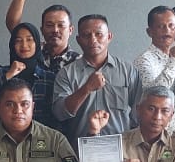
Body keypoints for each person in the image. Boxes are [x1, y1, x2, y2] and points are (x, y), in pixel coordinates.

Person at [54, 14, 143, 143]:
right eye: (86, 35)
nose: (93, 40)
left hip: (120, 148)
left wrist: (130, 143)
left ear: (109, 37)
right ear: (78, 40)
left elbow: (139, 112)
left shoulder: (128, 71)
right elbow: (59, 113)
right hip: (80, 148)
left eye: (99, 34)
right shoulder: (66, 73)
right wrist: (86, 89)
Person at [0, 23, 57, 129]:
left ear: (37, 44)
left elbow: (57, 114)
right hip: (3, 135)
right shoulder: (0, 73)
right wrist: (8, 76)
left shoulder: (49, 78)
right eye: (18, 40)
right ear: (12, 45)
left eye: (29, 40)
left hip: (40, 136)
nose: (24, 45)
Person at [3, 0, 81, 72]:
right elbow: (14, 27)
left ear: (71, 30)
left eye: (61, 25)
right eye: (49, 25)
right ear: (42, 30)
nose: (55, 30)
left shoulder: (78, 62)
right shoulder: (33, 49)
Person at [133, 6, 175, 134]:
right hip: (154, 134)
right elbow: (156, 94)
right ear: (149, 32)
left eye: (171, 26)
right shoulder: (144, 60)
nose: (167, 31)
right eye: (161, 26)